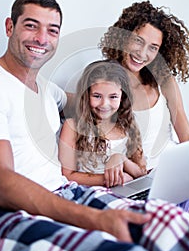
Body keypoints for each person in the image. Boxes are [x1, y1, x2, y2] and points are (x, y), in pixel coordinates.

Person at [0, 0, 189, 251]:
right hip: (11, 210)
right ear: (10, 27)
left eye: (52, 30)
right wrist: (92, 218)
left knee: (172, 227)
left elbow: (82, 102)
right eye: (31, 25)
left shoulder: (46, 89)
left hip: (71, 192)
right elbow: (0, 183)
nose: (42, 38)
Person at [99, 0, 189, 234]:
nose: (143, 53)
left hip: (178, 170)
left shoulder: (165, 80)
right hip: (144, 179)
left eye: (153, 47)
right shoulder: (104, 81)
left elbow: (186, 136)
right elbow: (98, 140)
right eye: (138, 41)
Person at [59, 60, 147, 188]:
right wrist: (114, 179)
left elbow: (141, 173)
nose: (104, 104)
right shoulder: (73, 126)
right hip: (90, 192)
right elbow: (67, 175)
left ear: (122, 97)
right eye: (97, 96)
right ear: (86, 94)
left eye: (113, 97)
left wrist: (121, 159)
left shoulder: (129, 125)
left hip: (126, 192)